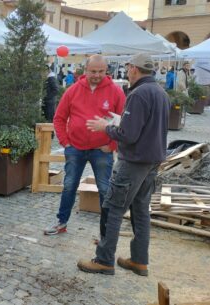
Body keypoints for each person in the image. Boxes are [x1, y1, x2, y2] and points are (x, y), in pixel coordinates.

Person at [78, 53, 169, 276]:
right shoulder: (160, 92)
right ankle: (139, 261)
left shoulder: (138, 94)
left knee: (112, 209)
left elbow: (128, 135)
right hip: (151, 160)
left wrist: (105, 127)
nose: (128, 71)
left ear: (134, 69)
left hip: (134, 161)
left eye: (129, 68)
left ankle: (104, 260)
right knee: (140, 211)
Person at [44, 55, 125, 238]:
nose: (97, 75)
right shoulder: (73, 90)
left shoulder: (116, 92)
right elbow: (59, 118)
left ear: (106, 71)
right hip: (76, 148)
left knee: (105, 189)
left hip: (102, 150)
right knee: (69, 186)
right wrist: (66, 143)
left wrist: (112, 144)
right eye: (93, 71)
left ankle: (107, 231)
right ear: (85, 70)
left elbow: (123, 122)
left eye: (101, 71)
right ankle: (61, 222)